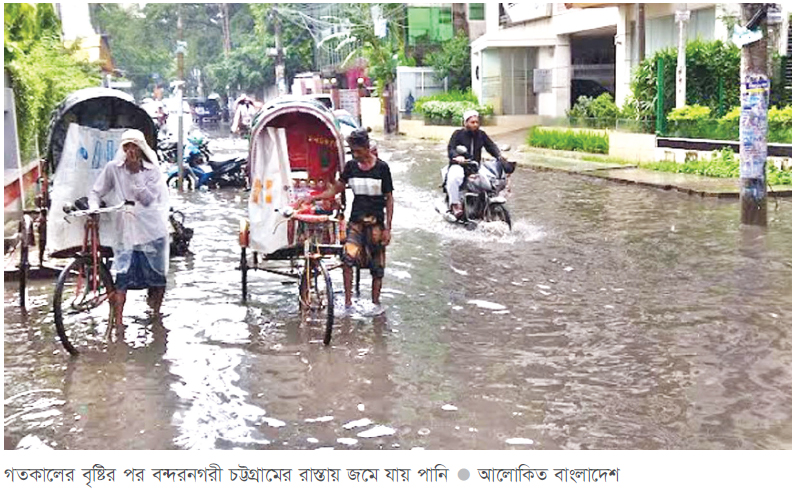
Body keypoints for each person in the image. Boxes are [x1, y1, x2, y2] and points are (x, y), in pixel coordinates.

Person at [298, 128, 393, 316]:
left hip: (376, 223)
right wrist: (313, 199)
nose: (355, 154)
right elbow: (336, 189)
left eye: (358, 151)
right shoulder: (351, 167)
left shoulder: (382, 168)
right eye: (352, 151)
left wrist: (388, 228)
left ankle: (375, 304)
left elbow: (389, 199)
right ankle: (348, 303)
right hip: (356, 221)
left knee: (377, 266)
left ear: (367, 148)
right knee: (348, 259)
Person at [89, 129, 171, 326]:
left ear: (141, 149)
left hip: (151, 229)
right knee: (122, 276)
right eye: (127, 146)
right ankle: (118, 323)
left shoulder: (152, 171)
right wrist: (94, 208)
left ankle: (155, 314)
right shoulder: (113, 168)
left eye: (134, 146)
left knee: (157, 279)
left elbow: (149, 199)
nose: (130, 151)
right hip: (125, 229)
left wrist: (136, 175)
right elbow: (96, 191)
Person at [445, 109, 503, 217]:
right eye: (472, 122)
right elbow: (451, 149)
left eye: (477, 122)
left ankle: (486, 203)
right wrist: (457, 157)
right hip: (459, 166)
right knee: (455, 177)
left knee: (490, 180)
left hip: (475, 166)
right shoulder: (458, 134)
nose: (475, 124)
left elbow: (491, 146)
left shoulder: (481, 134)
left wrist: (499, 156)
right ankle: (455, 204)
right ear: (465, 123)